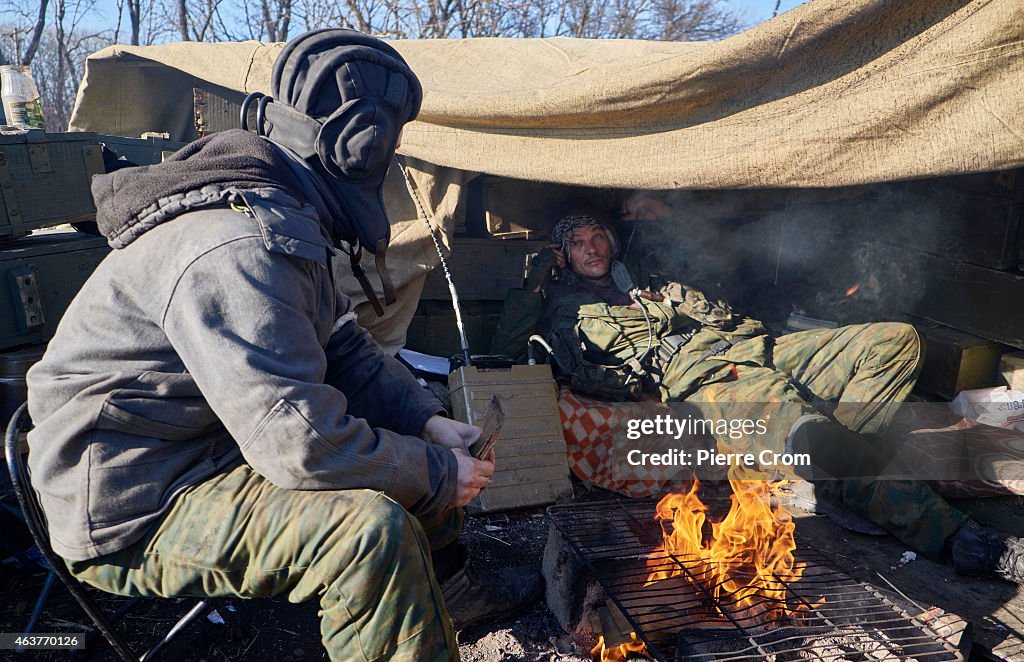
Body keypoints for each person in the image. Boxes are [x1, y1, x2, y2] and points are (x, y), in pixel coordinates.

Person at [26, 29, 539, 661]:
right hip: (136, 499)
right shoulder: (237, 247)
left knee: (407, 464)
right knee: (368, 533)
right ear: (361, 147)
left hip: (202, 449)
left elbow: (342, 347)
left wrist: (427, 424)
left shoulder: (279, 213)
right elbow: (302, 446)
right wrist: (434, 473)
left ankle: (443, 596)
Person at [492, 211, 1024, 585]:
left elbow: (717, 285)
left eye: (598, 236)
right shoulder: (562, 308)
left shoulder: (648, 281)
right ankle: (965, 543)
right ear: (563, 253)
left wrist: (676, 290)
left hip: (760, 347)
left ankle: (836, 477)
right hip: (712, 378)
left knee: (894, 341)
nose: (593, 248)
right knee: (813, 436)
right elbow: (501, 352)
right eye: (578, 241)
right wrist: (532, 281)